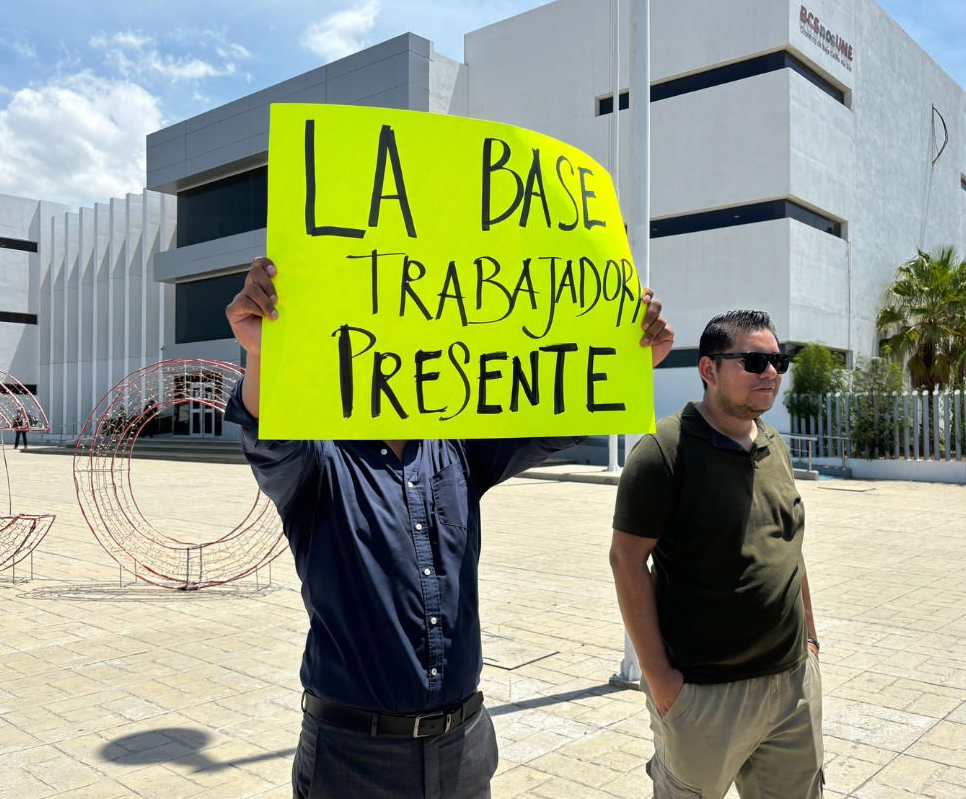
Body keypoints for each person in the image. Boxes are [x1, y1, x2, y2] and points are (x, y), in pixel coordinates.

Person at [223, 257, 674, 799]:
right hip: (353, 759)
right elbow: (266, 435)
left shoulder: (457, 447)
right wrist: (261, 357)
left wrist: (628, 359)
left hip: (464, 747)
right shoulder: (318, 461)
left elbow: (556, 413)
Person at [610, 310, 823, 799]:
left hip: (791, 686)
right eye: (753, 361)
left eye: (777, 361)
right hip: (705, 696)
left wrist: (810, 641)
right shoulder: (665, 450)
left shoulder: (774, 444)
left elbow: (790, 546)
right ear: (709, 370)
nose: (770, 373)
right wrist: (660, 679)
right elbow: (626, 560)